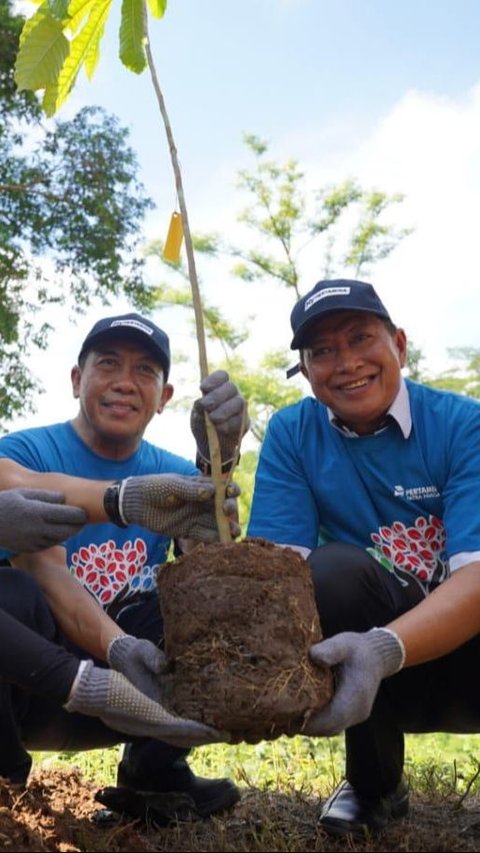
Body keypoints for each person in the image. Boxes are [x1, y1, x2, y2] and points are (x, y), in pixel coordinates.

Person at [247, 278, 480, 839]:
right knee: (329, 574)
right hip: (364, 683)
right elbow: (278, 579)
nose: (346, 362)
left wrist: (383, 649)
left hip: (467, 658)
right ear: (305, 373)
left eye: (360, 338)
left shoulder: (462, 423)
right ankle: (374, 786)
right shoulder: (292, 432)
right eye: (322, 351)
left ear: (399, 344)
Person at [0, 311, 248, 825]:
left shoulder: (177, 473)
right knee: (10, 594)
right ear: (76, 380)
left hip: (141, 688)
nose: (124, 383)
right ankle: (5, 783)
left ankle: (153, 776)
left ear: (165, 396)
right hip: (33, 674)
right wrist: (118, 649)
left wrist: (217, 465)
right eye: (108, 364)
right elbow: (46, 574)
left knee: (198, 611)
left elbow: (212, 583)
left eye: (144, 372)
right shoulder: (24, 451)